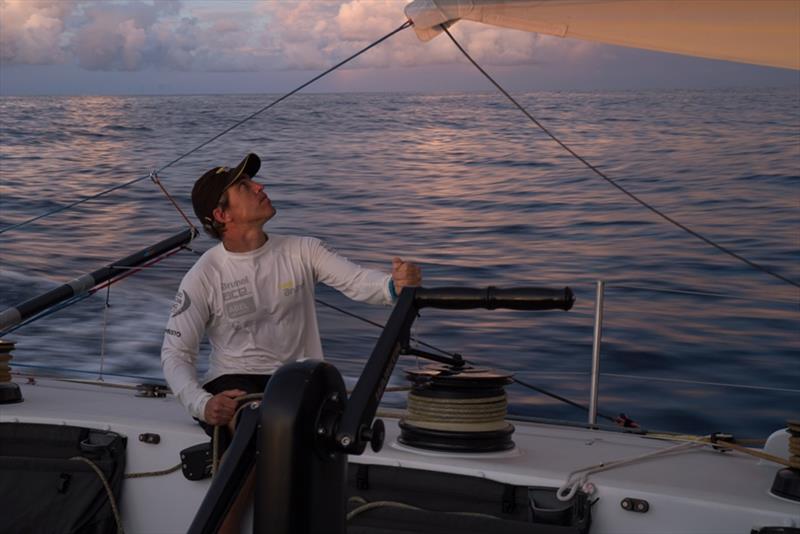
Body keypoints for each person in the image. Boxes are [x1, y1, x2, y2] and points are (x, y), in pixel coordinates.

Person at [160, 153, 421, 528]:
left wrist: (395, 285)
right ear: (223, 216)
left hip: (302, 384)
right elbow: (174, 353)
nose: (260, 187)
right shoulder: (203, 276)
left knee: (284, 424)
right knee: (255, 424)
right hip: (237, 388)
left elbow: (361, 283)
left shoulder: (303, 249)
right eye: (245, 187)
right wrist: (203, 404)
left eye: (254, 182)